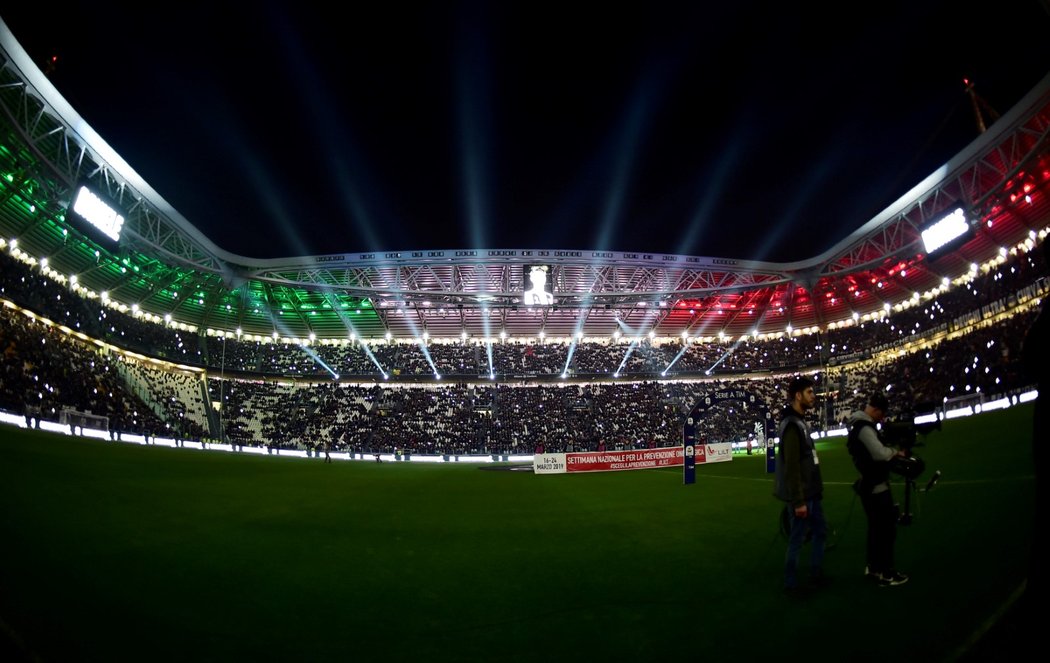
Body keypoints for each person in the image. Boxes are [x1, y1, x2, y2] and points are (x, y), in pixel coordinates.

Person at [847, 392, 909, 587]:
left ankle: (874, 569)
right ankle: (885, 573)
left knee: (876, 530)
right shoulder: (864, 428)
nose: (882, 418)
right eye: (881, 414)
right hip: (876, 486)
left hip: (869, 485)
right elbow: (879, 454)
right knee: (885, 531)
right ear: (875, 410)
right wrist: (895, 452)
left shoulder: (860, 425)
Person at [773, 375, 827, 596]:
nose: (813, 396)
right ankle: (791, 584)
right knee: (796, 539)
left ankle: (815, 574)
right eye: (809, 392)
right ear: (798, 395)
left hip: (811, 492)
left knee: (820, 532)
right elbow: (791, 467)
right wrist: (798, 501)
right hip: (803, 496)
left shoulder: (799, 422)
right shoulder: (792, 426)